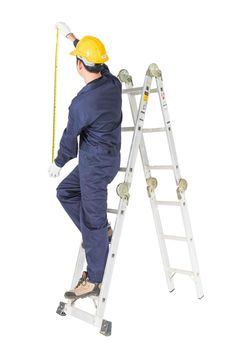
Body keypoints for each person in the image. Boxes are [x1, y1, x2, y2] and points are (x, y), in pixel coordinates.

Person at [48, 22, 122, 300]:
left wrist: (58, 162)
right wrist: (73, 39)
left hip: (93, 168)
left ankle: (94, 280)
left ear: (79, 66)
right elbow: (97, 60)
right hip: (108, 161)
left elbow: (70, 139)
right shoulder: (113, 83)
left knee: (92, 222)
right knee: (65, 192)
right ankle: (102, 234)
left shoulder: (82, 103)